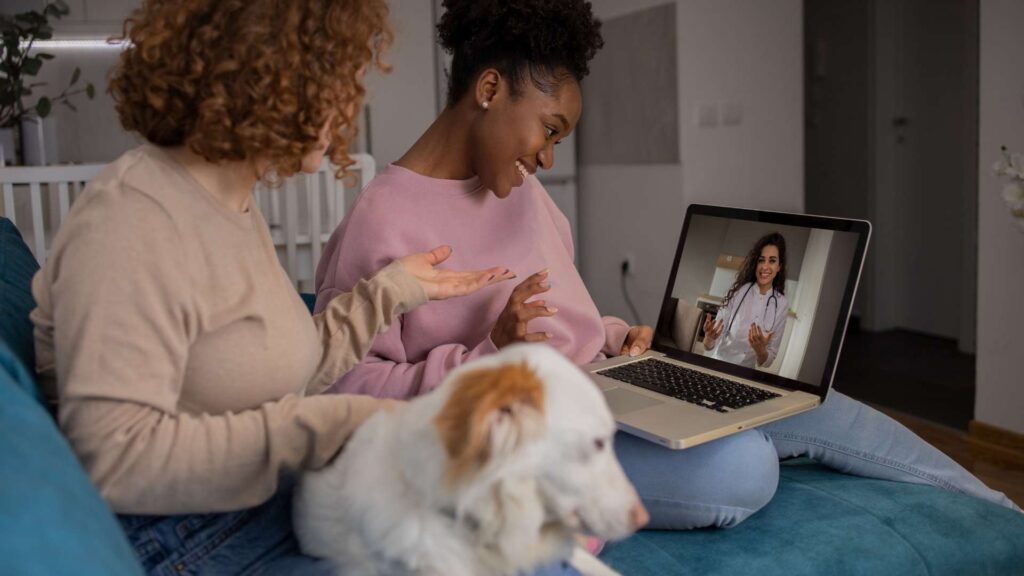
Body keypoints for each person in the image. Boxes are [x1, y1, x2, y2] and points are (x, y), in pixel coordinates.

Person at [315, 0, 1020, 536]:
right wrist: (487, 357)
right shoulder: (378, 224)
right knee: (745, 467)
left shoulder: (526, 196)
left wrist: (621, 336)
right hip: (528, 439)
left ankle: (1000, 513)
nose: (548, 158)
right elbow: (343, 396)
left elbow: (571, 323)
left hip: (605, 385)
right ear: (491, 90)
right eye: (549, 130)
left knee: (806, 399)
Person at [28, 1, 525, 574]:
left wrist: (388, 292)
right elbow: (114, 458)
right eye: (337, 79)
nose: (348, 106)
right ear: (270, 73)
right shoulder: (132, 219)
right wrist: (330, 425)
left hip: (244, 507)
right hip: (179, 538)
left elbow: (268, 366)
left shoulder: (232, 201)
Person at [703, 232, 789, 369]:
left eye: (772, 261)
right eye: (761, 260)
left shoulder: (782, 305)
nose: (765, 266)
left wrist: (760, 350)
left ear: (779, 267)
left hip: (746, 374)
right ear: (756, 263)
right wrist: (709, 338)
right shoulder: (738, 292)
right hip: (719, 365)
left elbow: (768, 361)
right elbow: (708, 346)